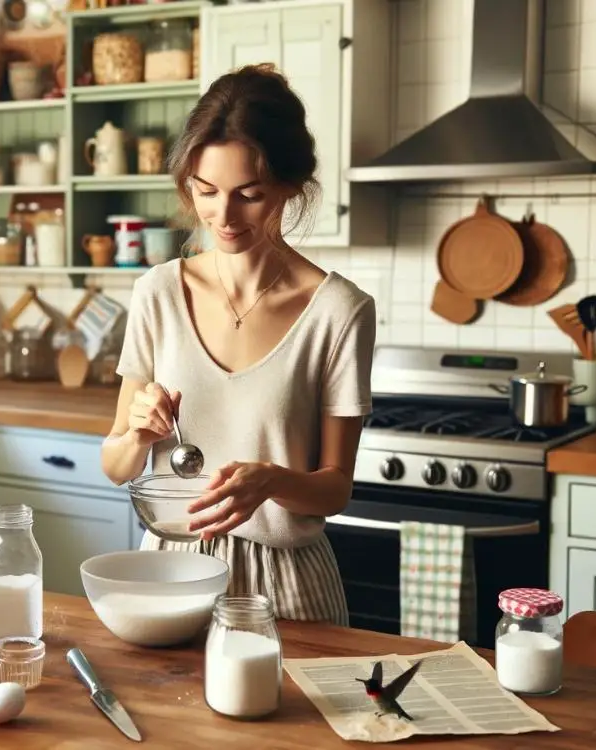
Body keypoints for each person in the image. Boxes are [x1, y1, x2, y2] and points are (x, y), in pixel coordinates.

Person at [99, 63, 377, 626]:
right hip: (172, 572)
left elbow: (334, 489)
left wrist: (272, 481)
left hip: (289, 582)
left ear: (290, 186)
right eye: (206, 192)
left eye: (249, 195)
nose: (223, 217)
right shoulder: (157, 293)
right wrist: (137, 432)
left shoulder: (339, 312)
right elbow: (115, 463)